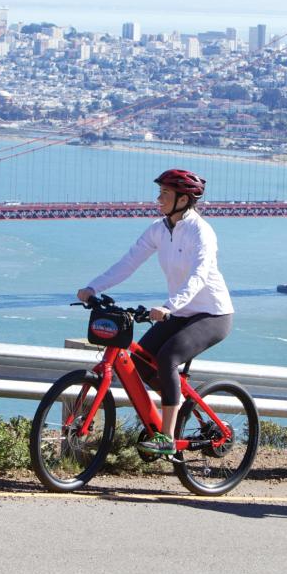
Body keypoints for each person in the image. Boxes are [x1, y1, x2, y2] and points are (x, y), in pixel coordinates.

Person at [77, 168, 233, 456]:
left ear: (184, 200)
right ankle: (178, 409)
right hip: (180, 312)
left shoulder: (202, 233)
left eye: (165, 194)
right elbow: (128, 262)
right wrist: (93, 287)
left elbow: (198, 277)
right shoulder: (159, 229)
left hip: (212, 314)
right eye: (159, 192)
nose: (158, 198)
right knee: (140, 362)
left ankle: (167, 437)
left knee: (168, 357)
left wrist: (168, 307)